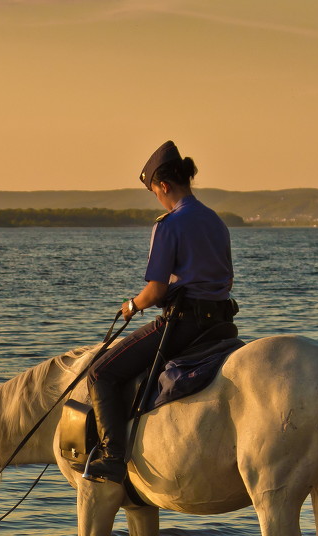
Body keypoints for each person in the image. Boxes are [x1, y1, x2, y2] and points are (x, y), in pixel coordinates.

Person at [84, 140, 238, 484]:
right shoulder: (216, 221)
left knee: (100, 374)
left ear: (164, 185)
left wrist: (131, 305)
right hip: (221, 324)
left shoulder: (169, 224)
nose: (158, 198)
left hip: (183, 325)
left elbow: (156, 291)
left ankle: (112, 457)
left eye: (155, 191)